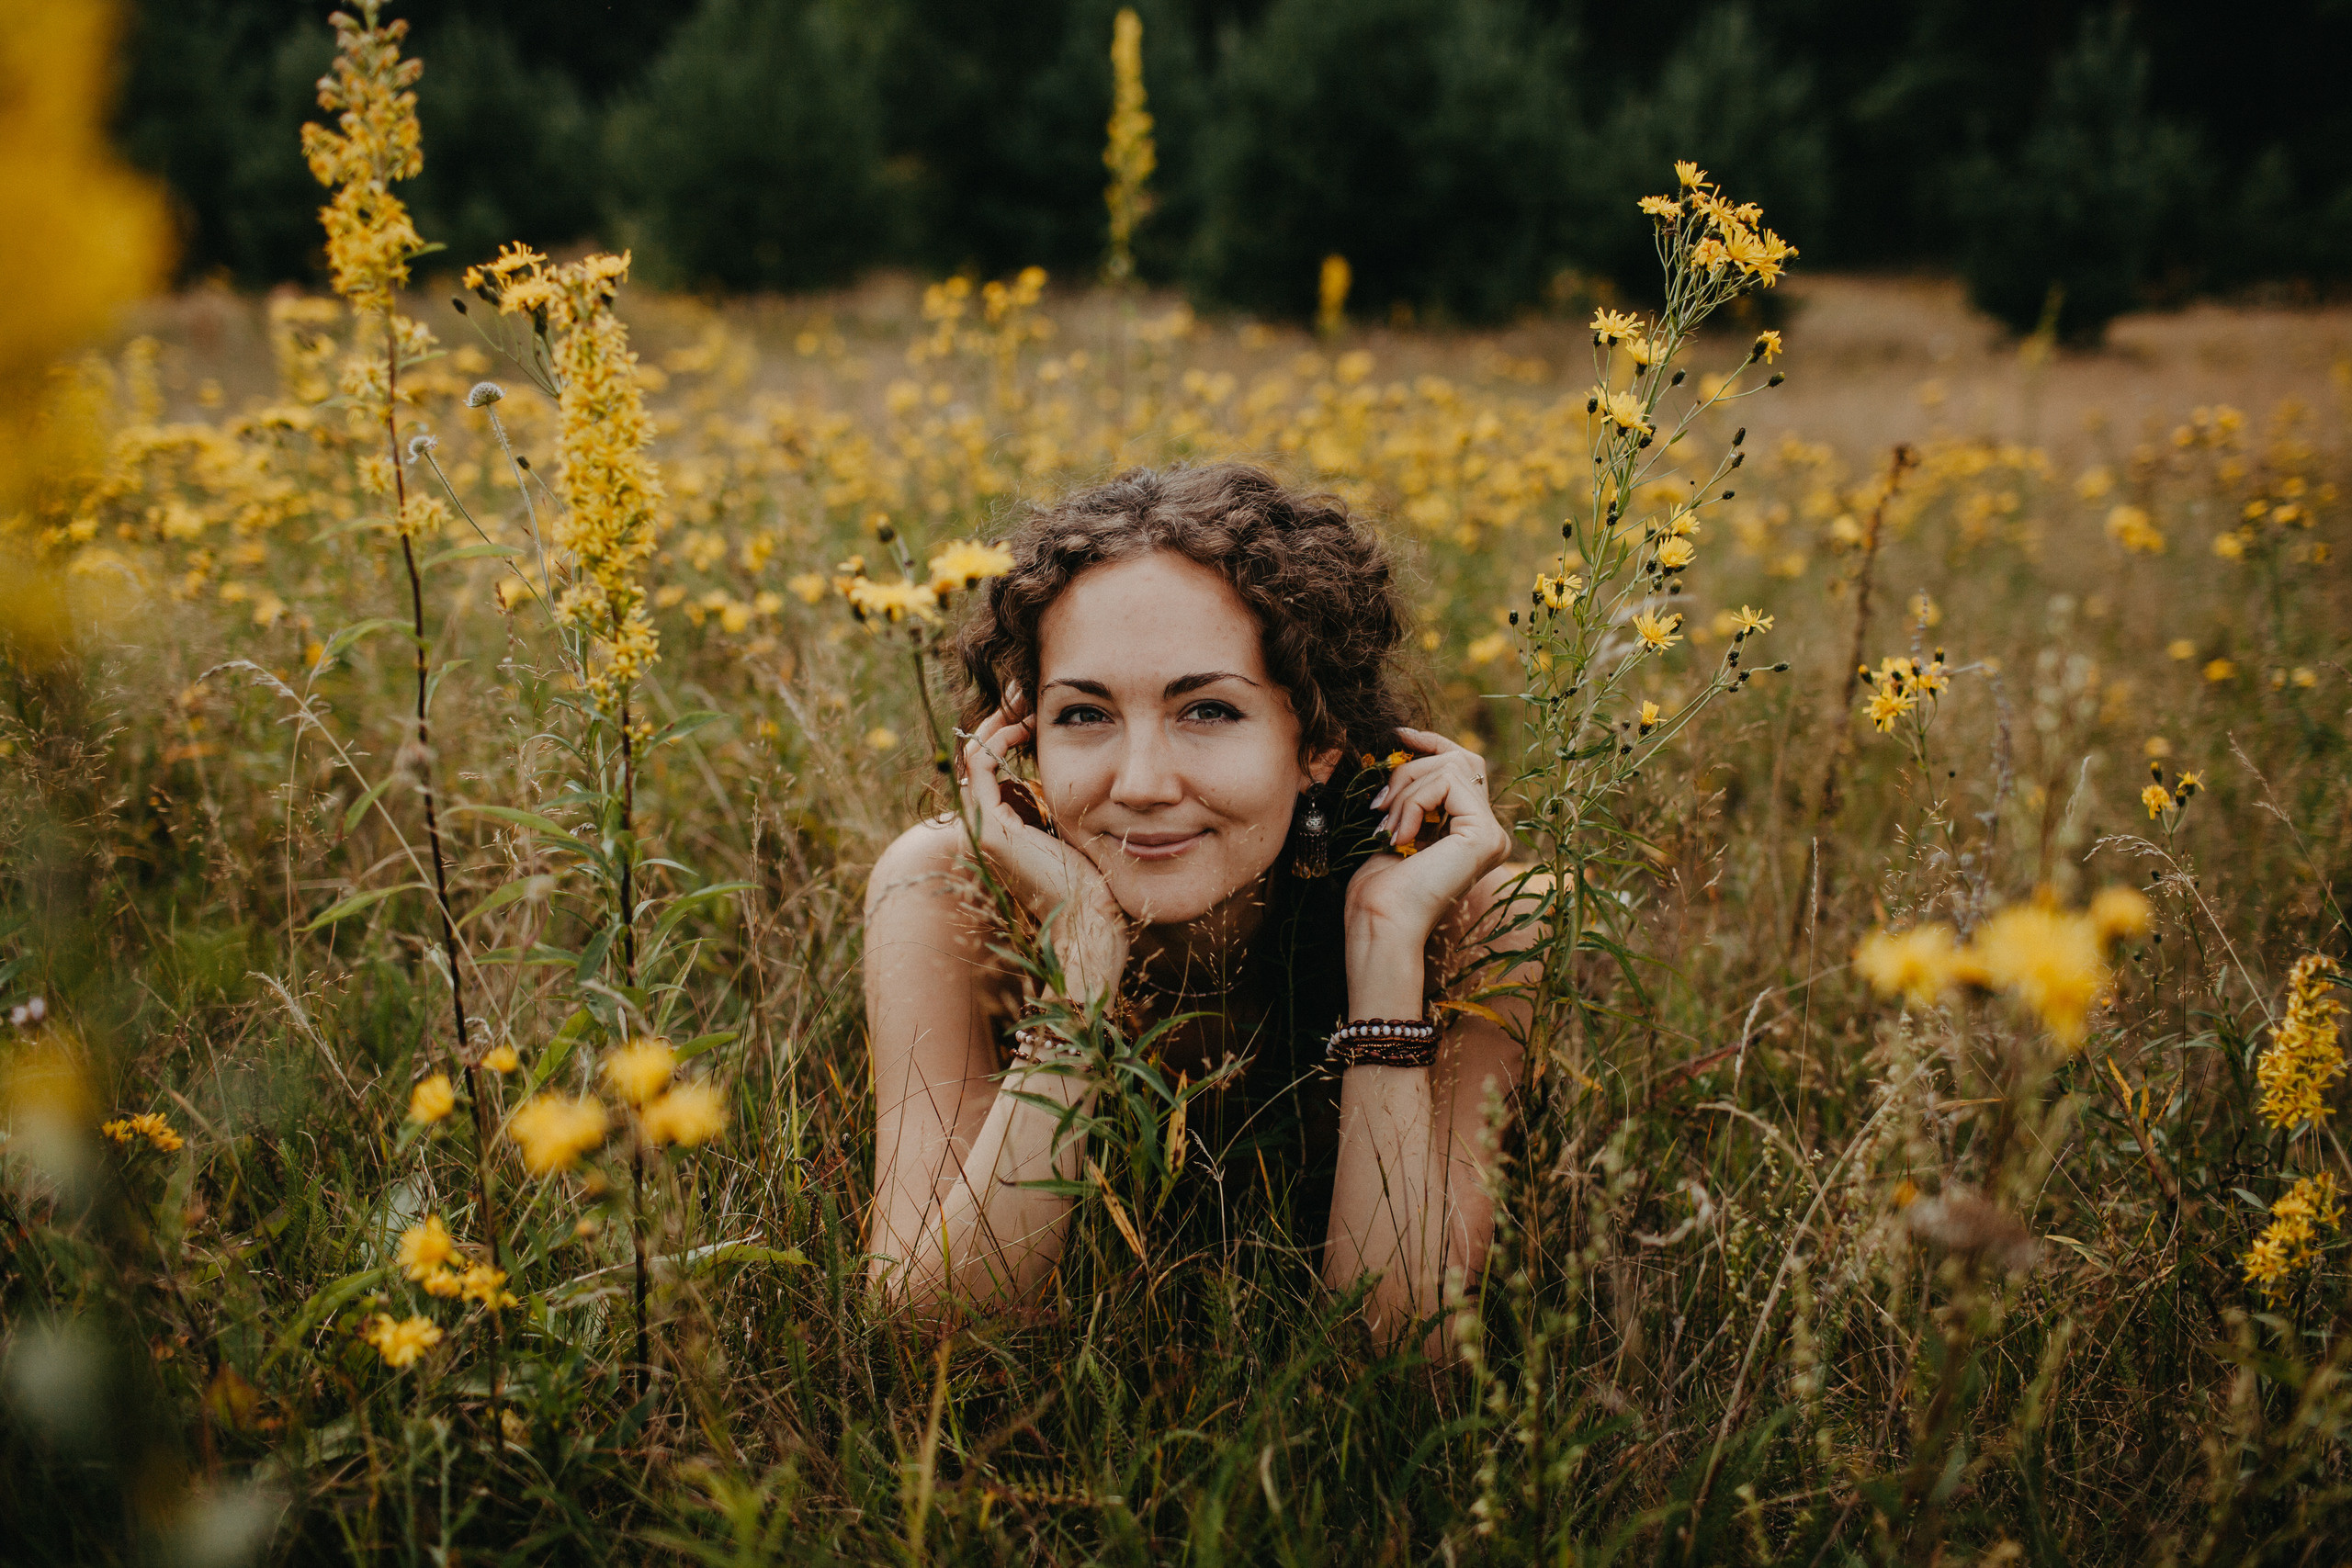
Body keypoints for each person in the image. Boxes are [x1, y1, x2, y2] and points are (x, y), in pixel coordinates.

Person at [862, 462, 1535, 1344]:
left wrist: (1384, 946)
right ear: (1019, 741)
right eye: (1084, 714)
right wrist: (1082, 961)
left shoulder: (1479, 919)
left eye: (1209, 711)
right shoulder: (947, 888)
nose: (1141, 784)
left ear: (1320, 741)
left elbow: (1397, 1350)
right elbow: (929, 1331)